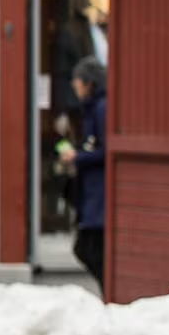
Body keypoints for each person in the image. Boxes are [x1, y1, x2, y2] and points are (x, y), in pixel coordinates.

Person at [60, 56, 108, 288]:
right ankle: (108, 293)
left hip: (99, 194)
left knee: (87, 248)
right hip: (92, 193)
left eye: (77, 79)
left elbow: (105, 150)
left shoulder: (100, 108)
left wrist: (78, 157)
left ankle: (109, 293)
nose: (74, 84)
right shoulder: (93, 108)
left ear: (89, 82)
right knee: (89, 248)